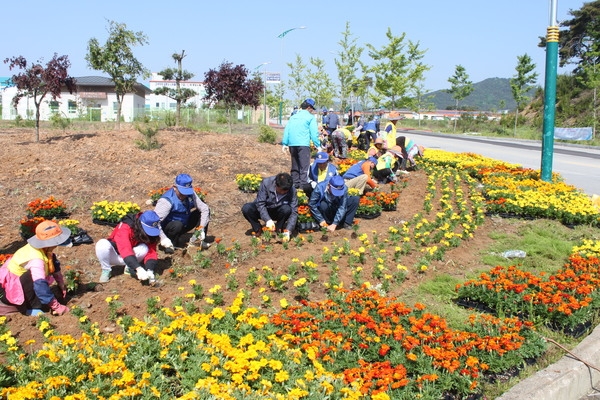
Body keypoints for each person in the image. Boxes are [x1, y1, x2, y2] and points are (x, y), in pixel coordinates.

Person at [0, 220, 71, 316]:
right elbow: (40, 285)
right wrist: (57, 306)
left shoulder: (45, 250)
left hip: (19, 284)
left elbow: (54, 266)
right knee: (33, 278)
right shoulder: (36, 259)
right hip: (10, 290)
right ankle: (24, 308)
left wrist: (61, 285)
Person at [96, 210, 161, 284]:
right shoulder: (126, 227)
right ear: (141, 224)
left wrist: (150, 270)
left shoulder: (148, 232)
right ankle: (106, 269)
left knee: (144, 248)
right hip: (114, 255)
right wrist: (138, 268)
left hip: (132, 256)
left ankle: (129, 267)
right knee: (101, 244)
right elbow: (125, 249)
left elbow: (151, 251)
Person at [154, 173, 210, 252]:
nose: (185, 195)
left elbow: (204, 209)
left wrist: (201, 228)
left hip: (184, 222)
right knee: (177, 225)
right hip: (170, 228)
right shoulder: (166, 201)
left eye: (187, 192)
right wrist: (163, 238)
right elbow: (155, 222)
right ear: (175, 188)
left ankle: (196, 241)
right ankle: (171, 245)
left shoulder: (190, 193)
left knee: (203, 212)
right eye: (182, 192)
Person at [241, 172, 298, 242]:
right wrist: (267, 220)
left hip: (278, 210)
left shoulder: (292, 190)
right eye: (281, 190)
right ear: (276, 185)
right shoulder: (266, 183)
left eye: (285, 191)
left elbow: (294, 211)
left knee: (287, 209)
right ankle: (257, 229)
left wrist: (288, 230)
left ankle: (279, 230)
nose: (283, 193)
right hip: (264, 209)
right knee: (247, 208)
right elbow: (260, 203)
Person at [282, 98, 322, 189]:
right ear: (309, 107)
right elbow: (314, 133)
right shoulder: (310, 117)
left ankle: (294, 185)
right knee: (304, 167)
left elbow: (287, 130)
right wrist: (318, 145)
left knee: (295, 165)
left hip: (292, 144)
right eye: (312, 108)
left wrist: (285, 143)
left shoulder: (293, 116)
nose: (312, 110)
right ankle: (303, 186)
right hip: (303, 144)